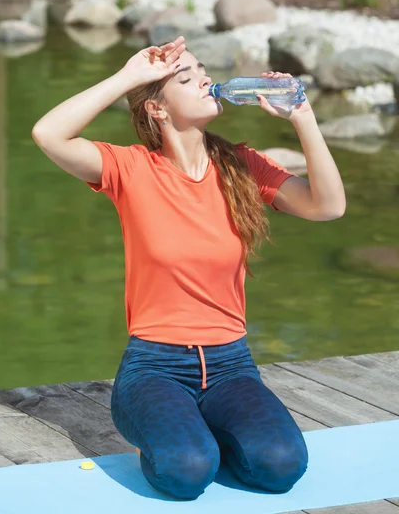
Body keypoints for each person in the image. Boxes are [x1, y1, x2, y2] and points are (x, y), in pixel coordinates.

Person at [32, 35, 346, 501]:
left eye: (202, 70)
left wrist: (304, 118)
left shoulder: (241, 166)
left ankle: (202, 430)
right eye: (186, 76)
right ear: (158, 109)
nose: (204, 78)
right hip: (155, 368)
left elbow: (328, 206)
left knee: (281, 467)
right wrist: (129, 77)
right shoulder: (130, 168)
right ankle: (181, 439)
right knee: (187, 473)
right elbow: (48, 134)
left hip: (230, 365)